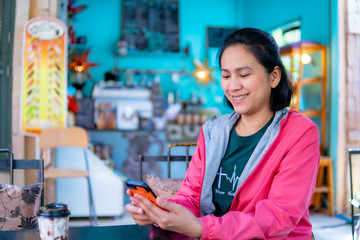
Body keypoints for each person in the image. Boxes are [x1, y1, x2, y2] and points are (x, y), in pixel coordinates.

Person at [125, 28, 320, 239]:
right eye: (226, 75)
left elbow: (278, 215)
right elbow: (191, 196)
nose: (233, 85)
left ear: (274, 77)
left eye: (244, 74)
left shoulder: (300, 133)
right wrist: (161, 212)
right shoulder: (212, 130)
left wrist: (202, 228)